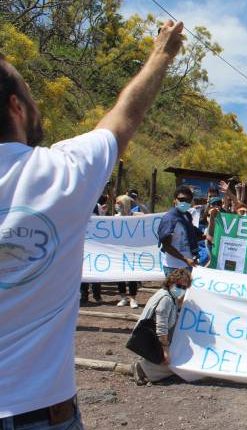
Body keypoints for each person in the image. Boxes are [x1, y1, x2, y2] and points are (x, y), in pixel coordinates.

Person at [0, 20, 183, 427]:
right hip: (39, 414)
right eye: (31, 96)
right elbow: (124, 116)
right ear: (16, 107)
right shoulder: (59, 172)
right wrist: (161, 54)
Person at [132, 268, 192, 385]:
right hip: (151, 338)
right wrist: (165, 350)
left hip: (151, 336)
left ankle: (147, 367)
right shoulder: (166, 299)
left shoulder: (167, 295)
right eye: (179, 286)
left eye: (185, 288)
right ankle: (144, 369)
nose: (182, 290)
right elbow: (161, 326)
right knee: (178, 361)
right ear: (170, 282)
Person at [158, 186, 202, 277]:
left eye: (188, 200)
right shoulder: (170, 218)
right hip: (173, 266)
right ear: (174, 200)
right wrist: (185, 259)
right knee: (176, 291)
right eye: (182, 199)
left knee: (185, 291)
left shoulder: (187, 216)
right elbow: (166, 246)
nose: (185, 202)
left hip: (188, 265)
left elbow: (191, 235)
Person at [115, 194, 141, 308]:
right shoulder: (115, 217)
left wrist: (139, 203)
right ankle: (123, 297)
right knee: (119, 275)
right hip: (119, 251)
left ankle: (133, 299)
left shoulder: (135, 216)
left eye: (119, 203)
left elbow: (149, 215)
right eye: (116, 203)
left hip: (132, 251)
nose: (117, 205)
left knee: (132, 276)